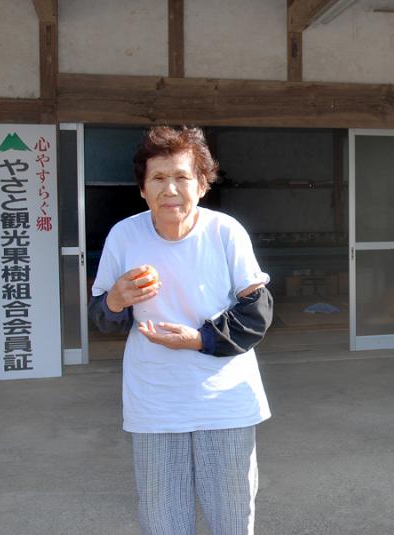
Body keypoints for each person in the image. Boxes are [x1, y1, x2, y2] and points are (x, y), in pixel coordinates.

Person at [88, 126, 273, 535]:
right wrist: (117, 298)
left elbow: (257, 311)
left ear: (202, 185)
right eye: (157, 178)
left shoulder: (224, 232)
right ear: (142, 188)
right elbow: (101, 317)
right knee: (162, 521)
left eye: (182, 177)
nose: (170, 189)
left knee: (232, 520)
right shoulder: (125, 235)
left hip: (224, 402)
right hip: (154, 402)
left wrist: (200, 339)